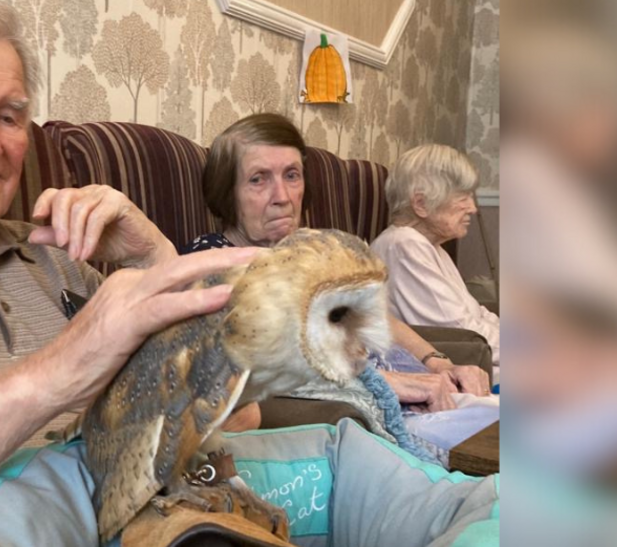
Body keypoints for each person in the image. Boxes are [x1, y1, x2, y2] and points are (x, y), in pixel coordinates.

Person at [0, 0, 496, 547]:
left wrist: (155, 256)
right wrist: (57, 373)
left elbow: (235, 416)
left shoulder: (57, 255)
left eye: (10, 115)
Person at [183, 114, 491, 413]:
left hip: (411, 396)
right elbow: (247, 365)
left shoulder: (312, 252)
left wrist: (438, 362)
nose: (283, 196)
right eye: (258, 179)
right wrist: (385, 383)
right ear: (227, 194)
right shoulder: (213, 260)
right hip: (360, 410)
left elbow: (374, 316)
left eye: (292, 175)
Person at [369, 144, 501, 380]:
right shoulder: (403, 246)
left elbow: (477, 315)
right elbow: (462, 333)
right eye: (463, 197)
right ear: (420, 204)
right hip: (448, 366)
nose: (472, 208)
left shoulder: (430, 246)